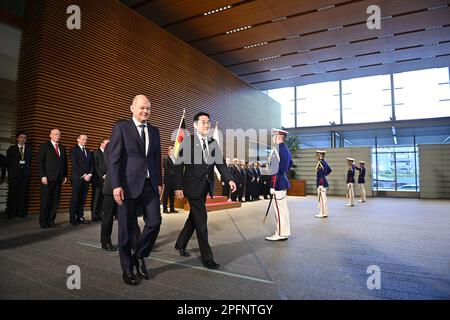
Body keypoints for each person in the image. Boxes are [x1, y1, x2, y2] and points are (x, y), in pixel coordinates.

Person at [109, 94, 162, 286]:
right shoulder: (121, 128)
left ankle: (139, 255)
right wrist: (116, 185)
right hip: (127, 186)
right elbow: (114, 159)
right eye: (141, 108)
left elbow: (156, 158)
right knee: (126, 228)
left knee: (155, 222)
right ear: (132, 108)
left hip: (150, 185)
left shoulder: (155, 131)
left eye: (148, 108)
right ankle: (127, 269)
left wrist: (159, 182)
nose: (145, 111)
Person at [174, 112, 236, 269]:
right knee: (201, 221)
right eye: (203, 122)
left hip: (205, 187)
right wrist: (178, 187)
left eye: (208, 122)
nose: (206, 125)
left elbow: (221, 165)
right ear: (195, 125)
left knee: (193, 218)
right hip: (192, 187)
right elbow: (179, 166)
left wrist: (229, 179)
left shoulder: (213, 143)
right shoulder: (188, 142)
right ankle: (207, 258)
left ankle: (180, 243)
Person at [265, 128, 292, 241]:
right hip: (283, 180)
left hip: (278, 183)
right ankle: (284, 232)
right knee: (283, 209)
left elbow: (274, 170)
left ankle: (280, 234)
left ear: (278, 137)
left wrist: (272, 185)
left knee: (279, 210)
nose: (272, 138)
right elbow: (290, 164)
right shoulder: (286, 149)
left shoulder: (277, 150)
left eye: (273, 136)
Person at [38, 129, 68, 228]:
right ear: (50, 135)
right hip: (47, 178)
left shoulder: (62, 147)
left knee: (55, 201)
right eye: (55, 134)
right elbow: (40, 162)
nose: (58, 136)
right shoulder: (44, 146)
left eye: (59, 135)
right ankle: (43, 221)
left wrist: (65, 175)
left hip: (59, 178)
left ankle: (51, 221)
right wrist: (42, 175)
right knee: (45, 200)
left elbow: (65, 163)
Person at [6, 132, 32, 218]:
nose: (23, 139)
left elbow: (29, 162)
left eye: (25, 137)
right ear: (17, 138)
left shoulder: (28, 149)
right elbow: (8, 162)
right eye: (21, 137)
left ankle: (20, 212)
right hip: (14, 175)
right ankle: (11, 213)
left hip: (24, 175)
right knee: (12, 193)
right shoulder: (12, 148)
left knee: (22, 194)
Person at [69, 134, 93, 225]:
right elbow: (74, 165)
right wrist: (84, 175)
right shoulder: (73, 150)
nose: (85, 141)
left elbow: (92, 164)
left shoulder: (88, 151)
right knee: (75, 198)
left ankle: (80, 217)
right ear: (78, 140)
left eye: (86, 140)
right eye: (83, 139)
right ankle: (72, 218)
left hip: (87, 179)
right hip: (77, 178)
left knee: (83, 199)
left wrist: (90, 174)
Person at [100, 140, 117, 252]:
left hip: (127, 188)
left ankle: (134, 242)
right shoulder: (111, 145)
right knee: (108, 216)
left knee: (129, 217)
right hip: (111, 186)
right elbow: (111, 165)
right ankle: (105, 242)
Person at [92, 138, 110, 221]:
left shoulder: (109, 153)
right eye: (107, 143)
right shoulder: (96, 152)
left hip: (107, 180)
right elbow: (95, 166)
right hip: (98, 179)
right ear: (101, 144)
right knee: (96, 198)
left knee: (103, 198)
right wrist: (102, 175)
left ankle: (100, 214)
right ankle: (94, 215)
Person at [315, 150, 332, 218]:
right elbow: (329, 170)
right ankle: (323, 212)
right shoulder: (323, 162)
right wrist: (325, 175)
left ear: (320, 155)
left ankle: (323, 213)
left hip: (321, 183)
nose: (316, 156)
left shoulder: (321, 163)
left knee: (322, 199)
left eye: (317, 155)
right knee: (323, 198)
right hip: (322, 182)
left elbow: (321, 174)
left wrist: (321, 183)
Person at [162, 146, 177, 213]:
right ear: (168, 151)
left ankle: (172, 208)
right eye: (171, 151)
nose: (172, 152)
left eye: (173, 151)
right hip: (168, 179)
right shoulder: (166, 158)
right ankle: (165, 209)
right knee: (166, 194)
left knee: (172, 195)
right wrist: (174, 173)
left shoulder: (175, 158)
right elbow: (166, 168)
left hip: (174, 180)